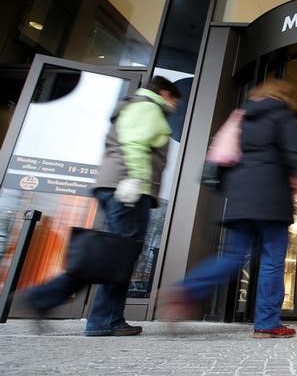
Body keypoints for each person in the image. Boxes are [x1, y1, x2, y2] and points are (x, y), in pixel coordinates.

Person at [24, 76, 181, 336]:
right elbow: (134, 144)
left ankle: (99, 317)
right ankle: (73, 309)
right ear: (164, 93)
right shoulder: (147, 107)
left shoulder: (134, 105)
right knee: (119, 256)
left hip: (115, 185)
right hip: (128, 187)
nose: (174, 106)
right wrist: (135, 179)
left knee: (114, 256)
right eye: (174, 99)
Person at [159, 79, 297, 339]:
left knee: (232, 256)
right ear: (283, 96)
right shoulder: (281, 115)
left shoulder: (241, 116)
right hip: (272, 196)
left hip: (240, 197)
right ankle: (266, 324)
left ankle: (185, 289)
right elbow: (293, 153)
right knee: (273, 260)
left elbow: (225, 156)